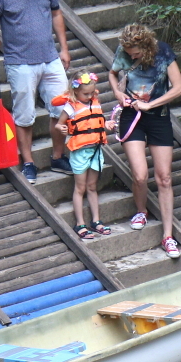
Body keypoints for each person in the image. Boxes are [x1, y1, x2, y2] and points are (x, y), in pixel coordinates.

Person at [0, 0, 71, 183]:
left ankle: (58, 157)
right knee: (24, 115)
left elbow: (56, 13)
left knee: (63, 110)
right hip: (20, 61)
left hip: (50, 57)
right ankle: (29, 162)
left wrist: (64, 48)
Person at [108, 23, 181, 259]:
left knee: (164, 177)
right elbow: (112, 73)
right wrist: (118, 93)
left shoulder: (163, 52)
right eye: (129, 54)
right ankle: (141, 210)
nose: (131, 57)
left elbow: (179, 88)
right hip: (131, 116)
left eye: (135, 54)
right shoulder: (123, 52)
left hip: (158, 117)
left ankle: (168, 235)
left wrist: (150, 104)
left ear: (146, 46)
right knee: (140, 175)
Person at [51, 72, 113, 240]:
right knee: (80, 188)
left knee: (92, 186)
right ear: (75, 91)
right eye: (86, 94)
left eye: (92, 93)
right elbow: (58, 124)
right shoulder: (70, 106)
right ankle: (80, 223)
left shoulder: (95, 102)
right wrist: (62, 128)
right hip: (80, 152)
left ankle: (96, 221)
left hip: (96, 150)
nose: (89, 96)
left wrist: (107, 124)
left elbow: (99, 121)